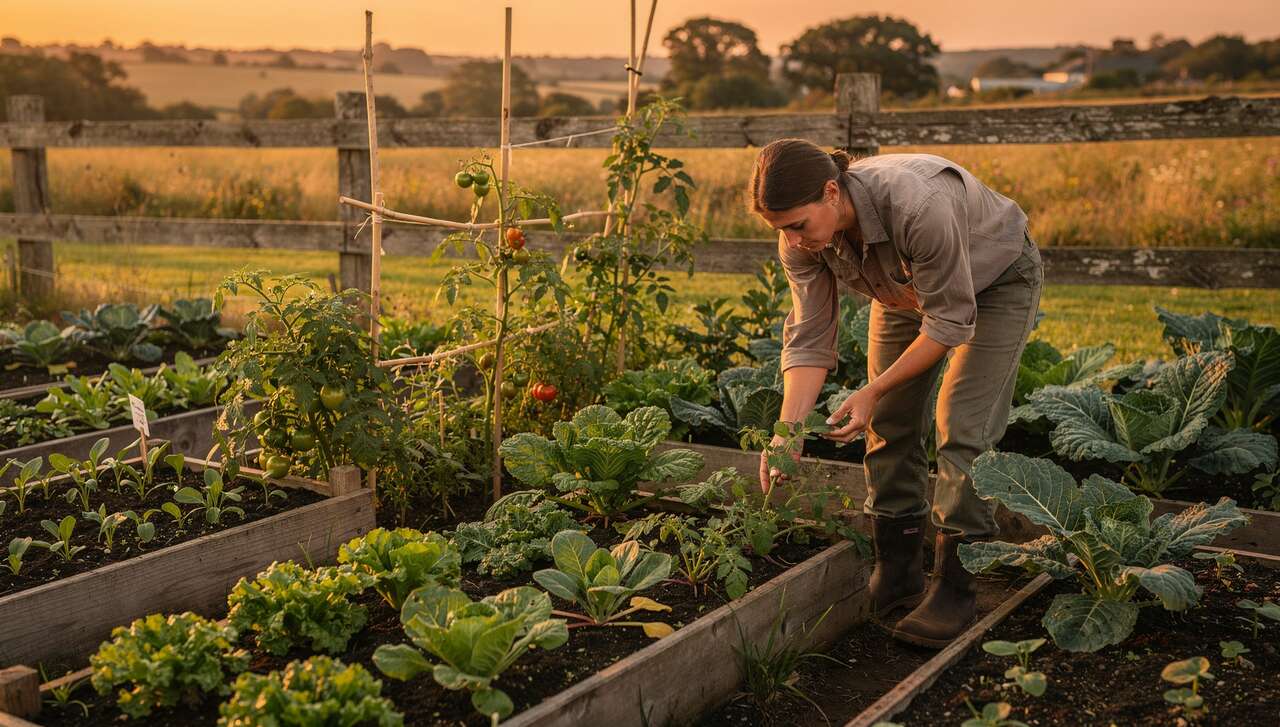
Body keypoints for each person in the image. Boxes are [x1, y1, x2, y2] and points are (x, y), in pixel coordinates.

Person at [746, 139, 1042, 648]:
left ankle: (955, 587)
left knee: (963, 424)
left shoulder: (918, 206)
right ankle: (899, 569)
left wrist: (874, 389)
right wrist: (787, 431)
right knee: (889, 422)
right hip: (902, 290)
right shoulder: (800, 240)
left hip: (994, 282)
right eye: (781, 230)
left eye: (797, 225)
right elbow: (810, 337)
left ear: (832, 192)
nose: (791, 240)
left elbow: (948, 321)